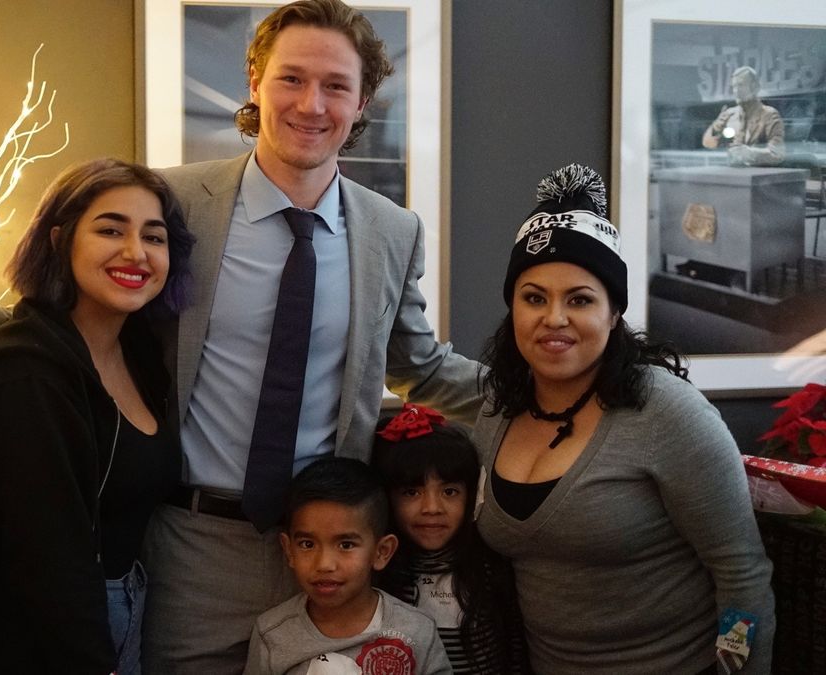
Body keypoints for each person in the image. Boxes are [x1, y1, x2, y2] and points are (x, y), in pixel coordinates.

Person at [143, 1, 481, 670]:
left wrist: (569, 389)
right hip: (194, 549)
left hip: (327, 559)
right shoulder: (172, 204)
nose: (312, 104)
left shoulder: (392, 231)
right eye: (292, 79)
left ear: (361, 104)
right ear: (254, 82)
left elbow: (420, 366)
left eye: (335, 86)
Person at [474, 163, 775, 674]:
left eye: (580, 299)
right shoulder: (496, 409)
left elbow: (742, 575)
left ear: (614, 315)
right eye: (533, 298)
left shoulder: (670, 413)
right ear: (513, 311)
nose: (554, 318)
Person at [0, 158, 194, 674]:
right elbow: (44, 557)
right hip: (59, 630)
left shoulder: (142, 353)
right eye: (110, 229)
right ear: (58, 240)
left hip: (131, 599)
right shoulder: (28, 367)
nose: (135, 252)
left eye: (155, 237)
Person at [243, 456, 452, 675]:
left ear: (382, 552)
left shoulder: (417, 630)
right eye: (307, 544)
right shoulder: (273, 634)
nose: (324, 564)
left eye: (345, 544)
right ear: (289, 551)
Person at [372, 403, 530, 674]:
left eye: (449, 492)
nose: (432, 507)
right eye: (412, 492)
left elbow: (514, 646)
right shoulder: (380, 576)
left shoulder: (489, 566)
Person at [701, 65, 785, 167]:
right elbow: (708, 144)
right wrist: (716, 127)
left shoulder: (769, 115)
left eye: (741, 85)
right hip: (732, 176)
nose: (736, 91)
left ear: (755, 87)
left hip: (758, 177)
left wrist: (749, 153)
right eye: (734, 87)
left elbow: (777, 154)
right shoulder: (729, 114)